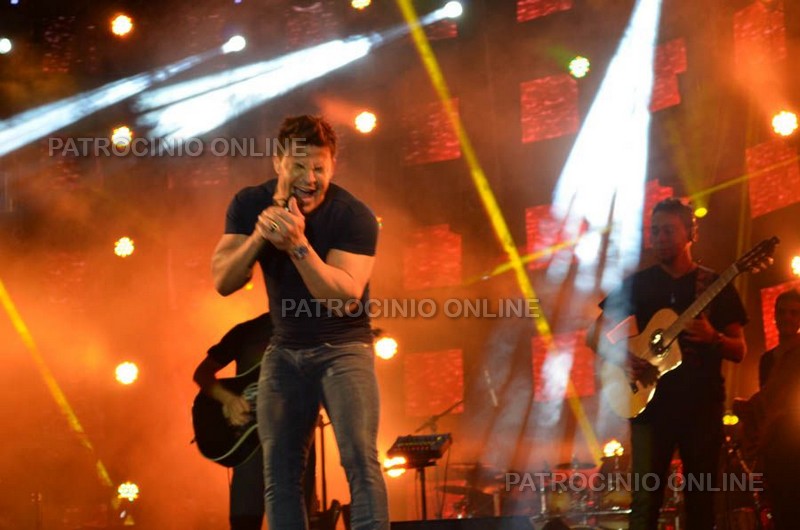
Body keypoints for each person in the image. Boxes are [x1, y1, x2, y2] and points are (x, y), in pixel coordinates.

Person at [211, 115, 389, 530]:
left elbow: (343, 300)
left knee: (359, 460)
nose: (310, 179)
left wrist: (298, 246)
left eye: (319, 168)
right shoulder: (248, 204)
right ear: (278, 163)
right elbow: (223, 281)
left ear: (333, 167)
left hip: (344, 349)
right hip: (285, 350)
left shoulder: (353, 215)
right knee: (279, 471)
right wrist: (261, 235)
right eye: (299, 166)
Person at [588, 198, 748, 530]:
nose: (659, 238)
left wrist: (714, 338)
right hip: (649, 408)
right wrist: (623, 357)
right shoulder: (639, 283)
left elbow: (739, 350)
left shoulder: (714, 284)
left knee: (701, 504)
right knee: (644, 504)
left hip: (701, 408)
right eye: (654, 231)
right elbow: (594, 334)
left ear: (690, 234)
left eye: (668, 231)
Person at [193, 313, 317, 530]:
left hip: (295, 443)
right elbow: (203, 373)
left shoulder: (319, 328)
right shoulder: (247, 331)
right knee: (245, 520)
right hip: (250, 448)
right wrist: (228, 399)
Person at [756, 289, 800, 529]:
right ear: (774, 316)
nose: (787, 318)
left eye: (794, 313)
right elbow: (766, 401)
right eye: (782, 312)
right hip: (775, 447)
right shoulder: (767, 361)